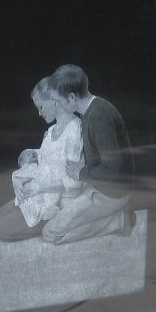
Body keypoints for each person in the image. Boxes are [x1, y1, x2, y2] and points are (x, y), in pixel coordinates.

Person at [40, 64, 133, 244]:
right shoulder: (90, 110)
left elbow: (113, 170)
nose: (56, 105)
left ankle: (118, 220)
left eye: (58, 101)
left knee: (50, 233)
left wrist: (81, 173)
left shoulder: (99, 116)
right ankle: (114, 215)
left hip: (112, 192)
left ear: (72, 97)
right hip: (99, 185)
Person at [0, 78, 84, 243]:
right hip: (41, 197)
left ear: (55, 101)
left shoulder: (75, 130)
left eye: (41, 107)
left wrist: (40, 187)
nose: (39, 113)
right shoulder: (51, 131)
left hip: (60, 204)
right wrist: (18, 178)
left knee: (0, 229)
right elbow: (41, 160)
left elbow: (75, 182)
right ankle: (36, 219)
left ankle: (55, 226)